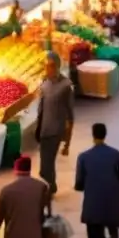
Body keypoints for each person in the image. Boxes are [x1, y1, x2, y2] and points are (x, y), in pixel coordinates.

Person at [36, 51, 74, 194]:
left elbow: (70, 116)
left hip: (56, 131)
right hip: (44, 129)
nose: (48, 69)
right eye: (46, 66)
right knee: (45, 164)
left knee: (47, 164)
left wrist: (67, 143)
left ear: (57, 66)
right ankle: (51, 186)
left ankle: (50, 188)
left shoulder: (66, 86)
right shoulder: (44, 83)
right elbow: (41, 108)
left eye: (50, 66)